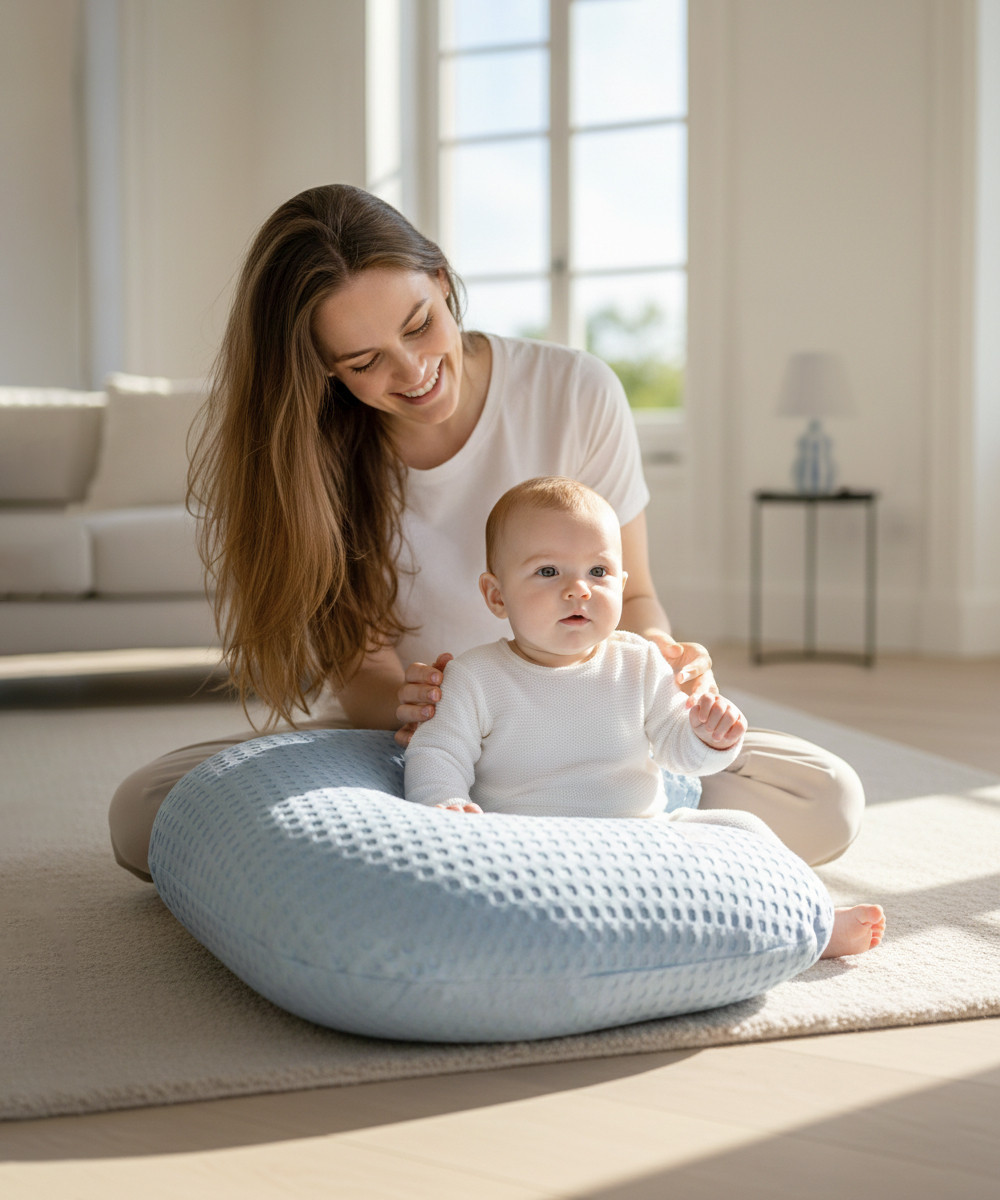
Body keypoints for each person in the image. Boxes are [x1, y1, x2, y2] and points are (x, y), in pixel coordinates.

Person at [108, 182, 865, 882]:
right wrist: (426, 714)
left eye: (419, 325)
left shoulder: (575, 391)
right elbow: (363, 678)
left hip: (598, 729)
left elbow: (635, 599)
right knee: (148, 814)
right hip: (427, 745)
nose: (412, 372)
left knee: (826, 797)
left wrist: (669, 668)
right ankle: (507, 835)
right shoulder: (315, 457)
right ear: (323, 370)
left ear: (441, 278)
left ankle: (454, 856)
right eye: (366, 361)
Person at [404, 477, 885, 959]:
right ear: (496, 595)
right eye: (548, 571)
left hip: (643, 839)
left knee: (742, 829)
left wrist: (709, 735)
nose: (578, 590)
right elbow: (437, 751)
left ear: (621, 582)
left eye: (598, 571)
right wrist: (444, 803)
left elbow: (680, 753)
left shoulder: (637, 661)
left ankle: (811, 916)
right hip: (532, 848)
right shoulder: (475, 676)